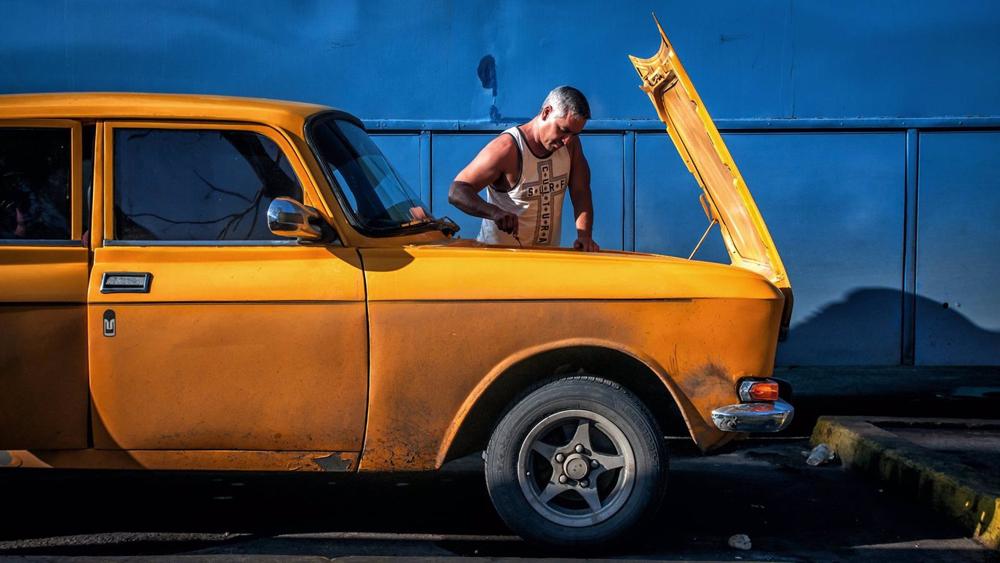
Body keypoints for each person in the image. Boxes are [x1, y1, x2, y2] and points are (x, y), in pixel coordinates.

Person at [448, 86, 600, 251]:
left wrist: (584, 236)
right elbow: (457, 191)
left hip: (544, 259)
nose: (567, 140)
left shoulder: (571, 145)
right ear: (546, 112)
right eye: (563, 130)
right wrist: (494, 212)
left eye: (574, 134)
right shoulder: (508, 148)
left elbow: (581, 190)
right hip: (499, 259)